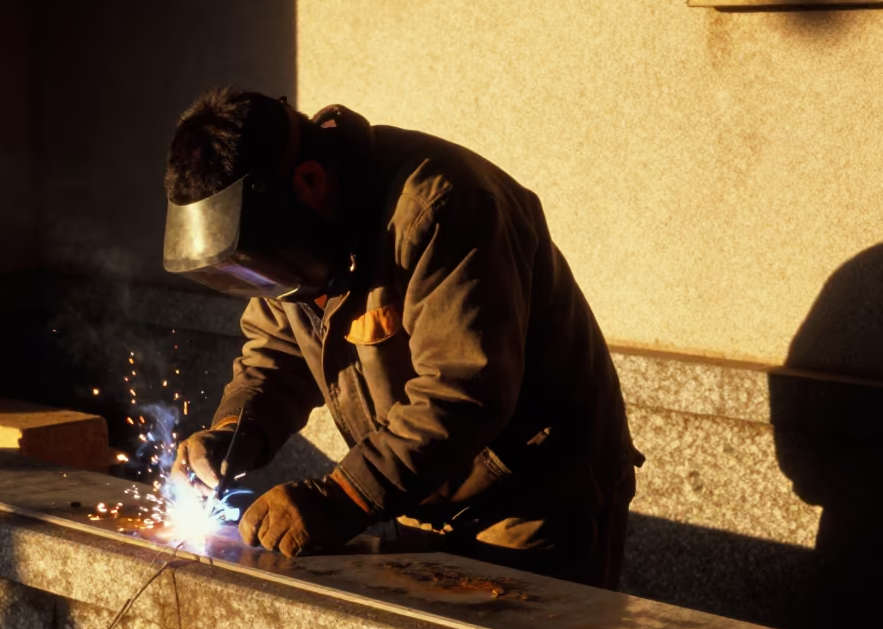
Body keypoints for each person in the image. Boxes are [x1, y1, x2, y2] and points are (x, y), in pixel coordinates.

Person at [163, 88, 642, 588]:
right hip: (421, 490)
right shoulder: (297, 233)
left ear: (310, 181)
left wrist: (342, 497)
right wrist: (235, 432)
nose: (266, 285)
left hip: (535, 504)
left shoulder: (440, 207)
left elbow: (463, 390)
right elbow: (278, 349)